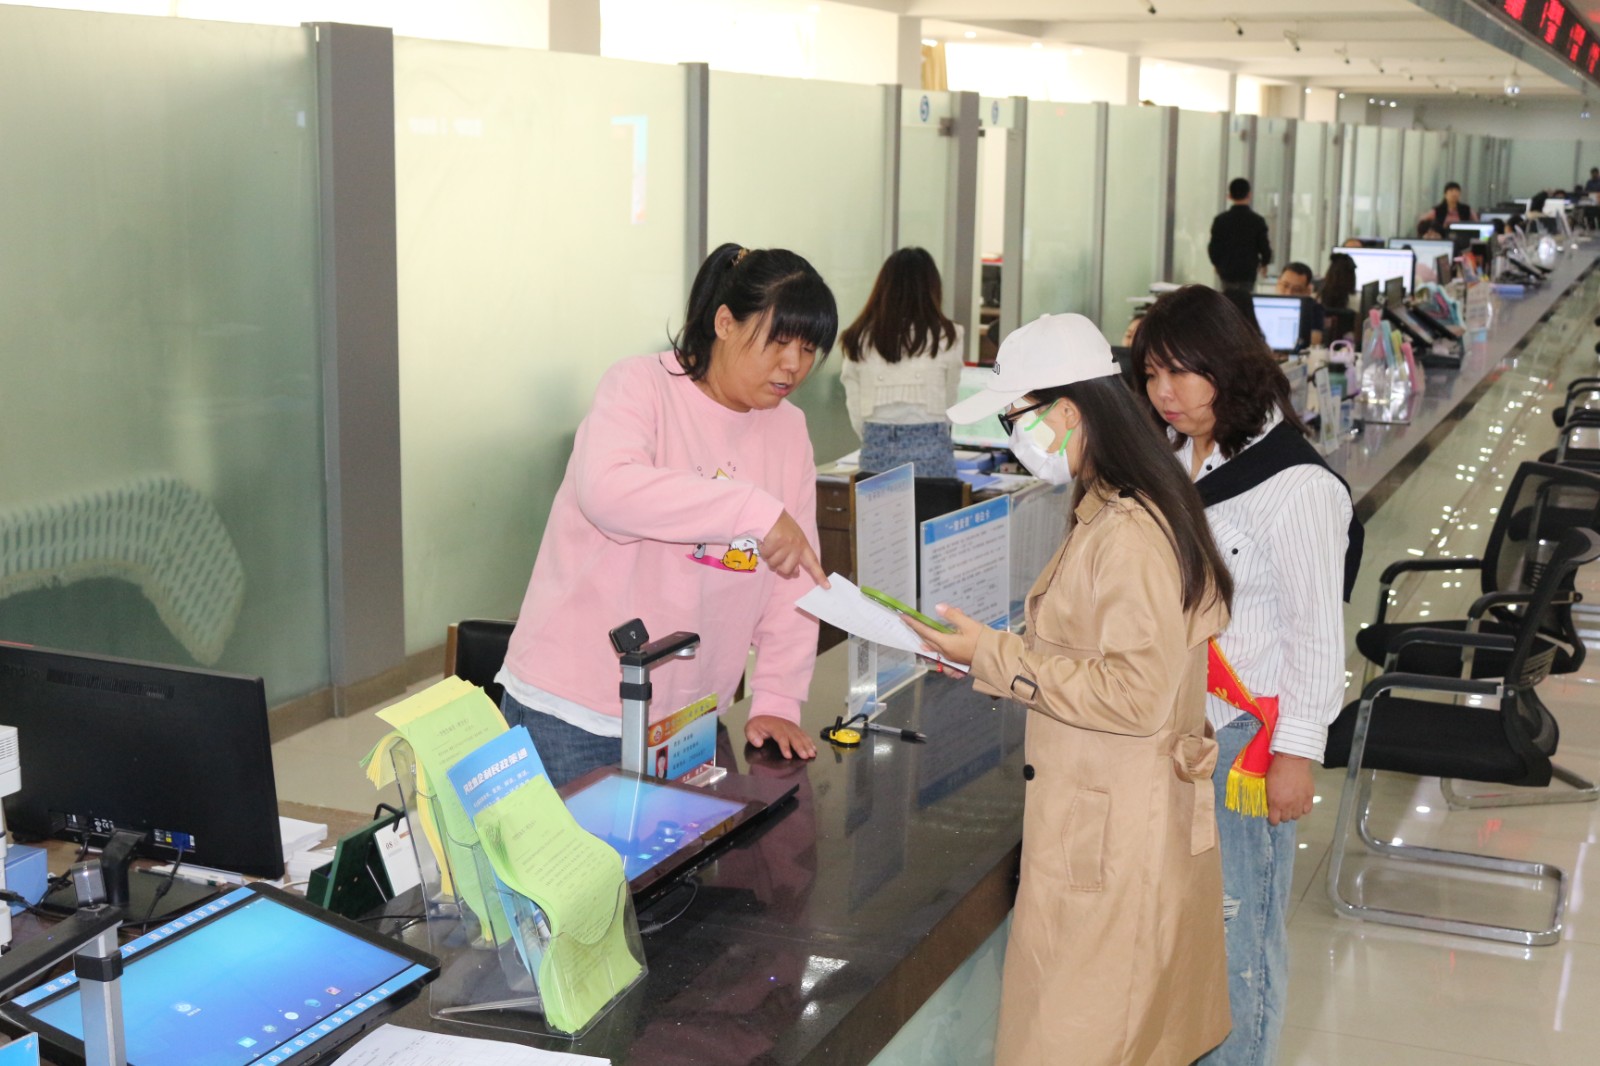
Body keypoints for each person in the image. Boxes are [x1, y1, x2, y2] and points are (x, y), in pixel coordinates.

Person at [910, 313, 1236, 1066]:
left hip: (1112, 838)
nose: (1010, 440)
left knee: (1075, 1040)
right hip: (1113, 819)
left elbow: (1135, 695)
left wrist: (996, 655)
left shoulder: (1128, 530)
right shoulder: (1124, 504)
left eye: (1014, 419)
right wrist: (987, 658)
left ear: (1066, 412)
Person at [494, 243, 837, 787]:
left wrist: (777, 698)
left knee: (701, 847)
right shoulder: (641, 386)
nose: (794, 364)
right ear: (725, 323)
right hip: (577, 710)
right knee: (579, 848)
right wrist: (749, 507)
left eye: (809, 348)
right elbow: (607, 492)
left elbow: (795, 573)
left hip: (689, 719)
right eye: (778, 341)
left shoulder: (788, 429)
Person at [1133, 286, 1362, 1066]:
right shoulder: (1175, 456)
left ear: (1228, 367)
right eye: (1152, 374)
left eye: (1182, 372)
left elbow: (1316, 635)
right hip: (1176, 732)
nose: (1165, 391)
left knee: (1240, 943)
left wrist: (1297, 754)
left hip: (1244, 745)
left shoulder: (1297, 485)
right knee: (1182, 936)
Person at [839, 247, 964, 478]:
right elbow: (950, 401)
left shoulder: (857, 338)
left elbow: (855, 410)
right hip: (933, 455)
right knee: (937, 504)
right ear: (932, 288)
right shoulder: (949, 336)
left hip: (876, 453)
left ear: (883, 288)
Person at [1208, 177, 1272, 295]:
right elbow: (1264, 246)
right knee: (1245, 298)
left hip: (1226, 269)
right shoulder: (1257, 220)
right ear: (1249, 195)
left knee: (1228, 298)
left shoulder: (1220, 220)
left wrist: (1216, 263)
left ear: (1229, 196)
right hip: (1248, 270)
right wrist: (1264, 263)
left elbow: (1213, 247)